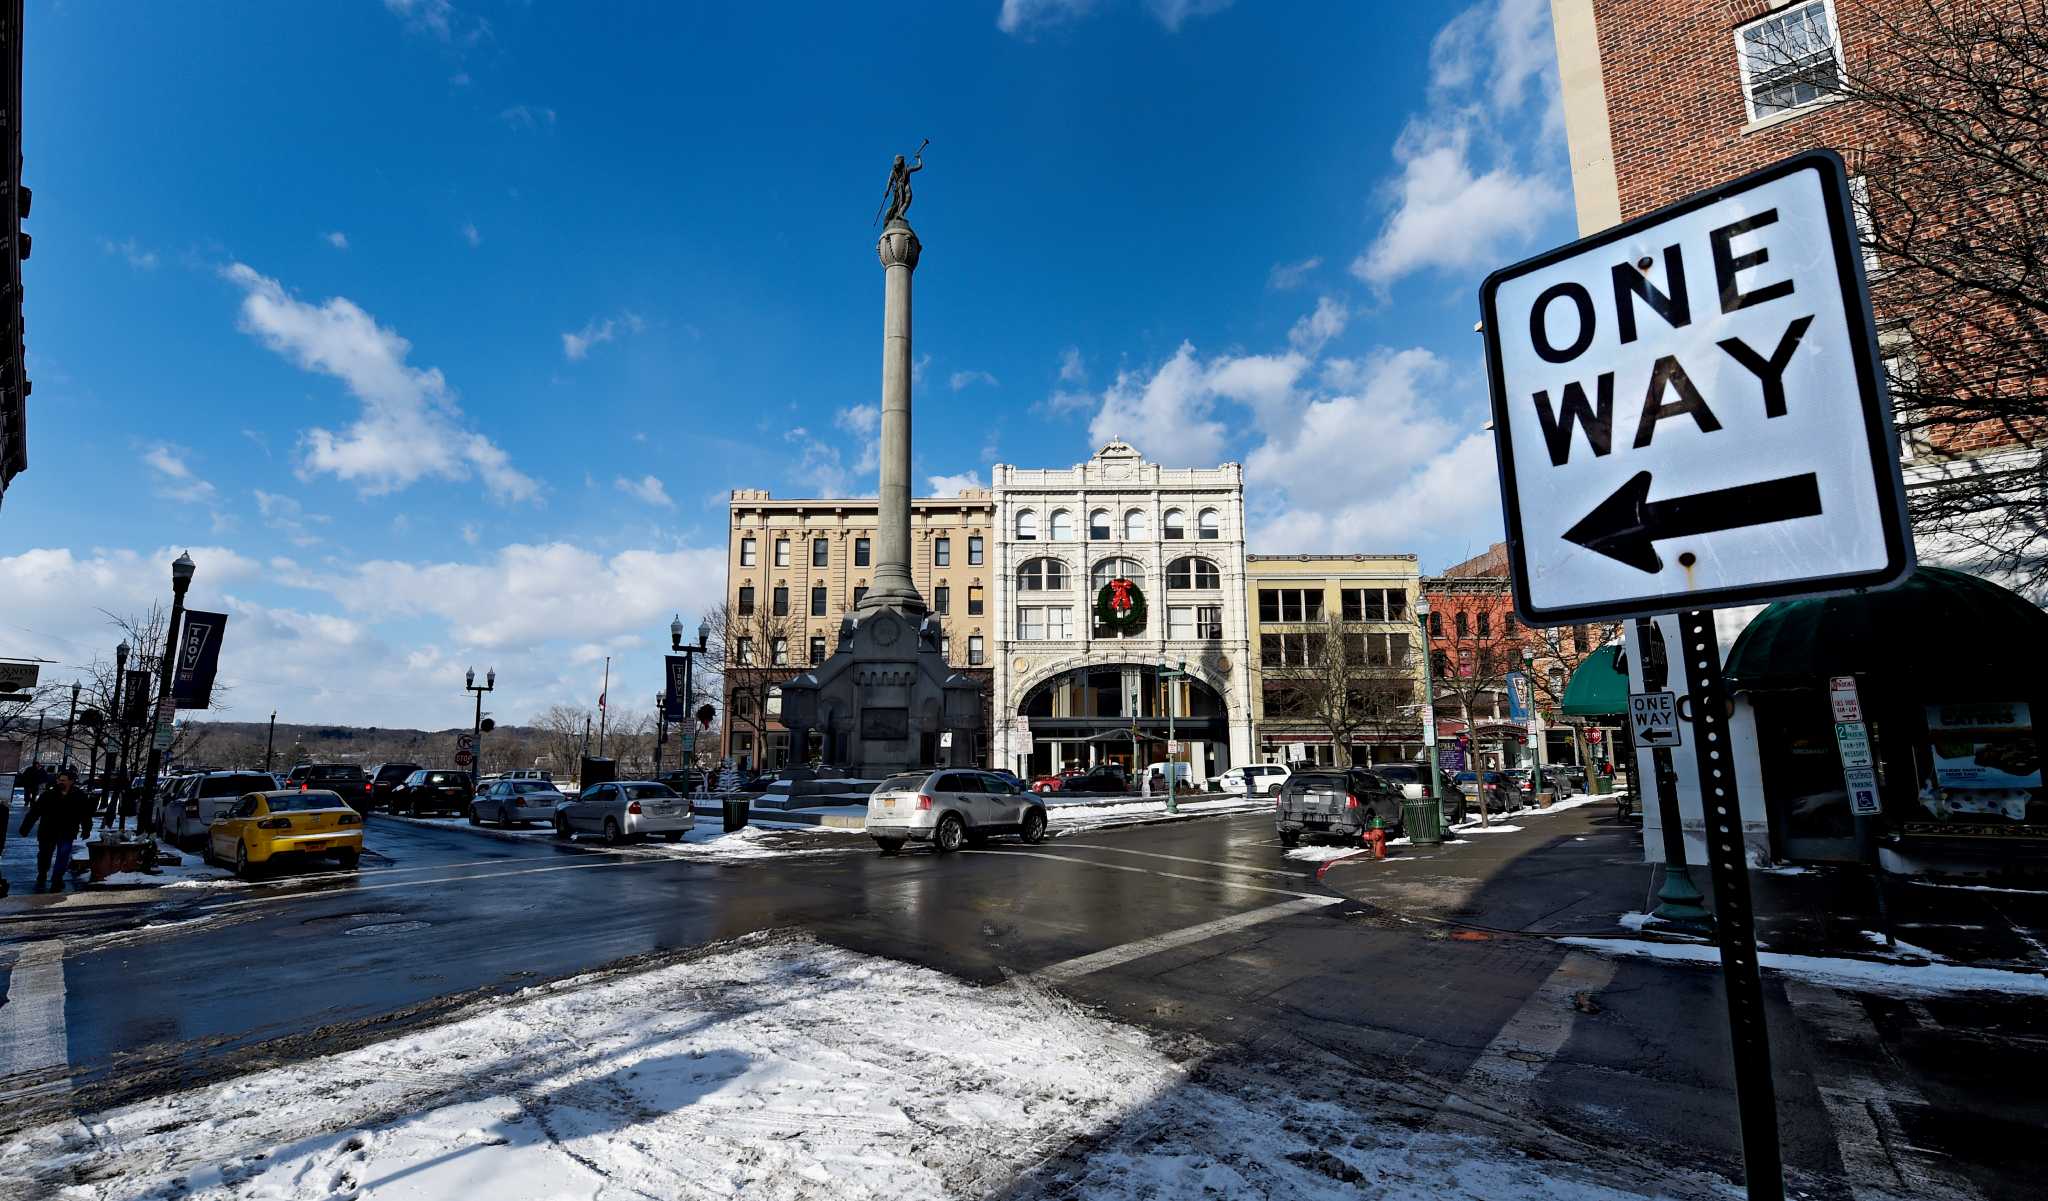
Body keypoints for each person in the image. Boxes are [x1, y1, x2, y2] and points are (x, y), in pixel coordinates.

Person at [20, 766, 94, 892]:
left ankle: (57, 878)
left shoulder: (79, 796)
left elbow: (85, 814)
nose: (60, 782)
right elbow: (35, 812)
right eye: (59, 780)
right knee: (44, 855)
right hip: (47, 831)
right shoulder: (48, 795)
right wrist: (25, 828)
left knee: (63, 856)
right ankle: (42, 873)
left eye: (63, 780)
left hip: (67, 831)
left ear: (71, 781)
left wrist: (87, 829)